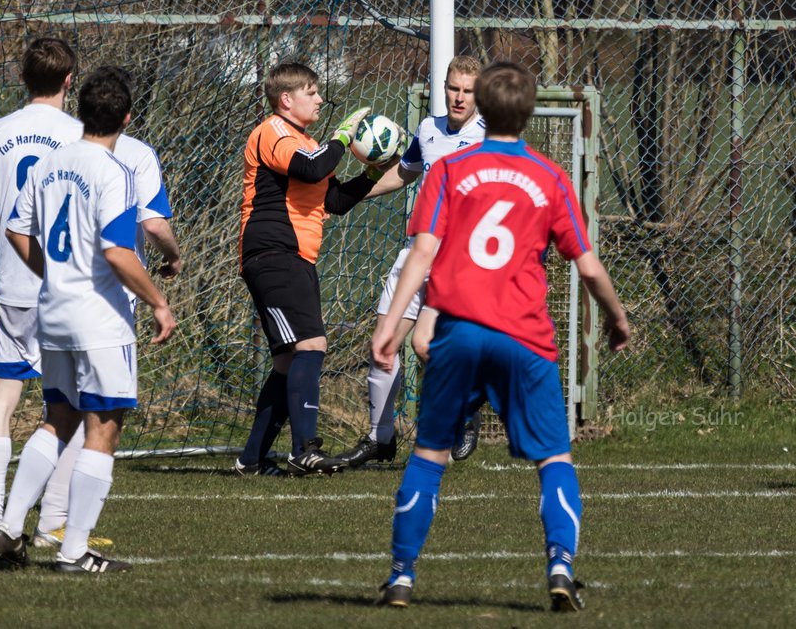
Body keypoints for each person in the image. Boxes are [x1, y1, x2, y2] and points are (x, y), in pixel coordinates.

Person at [370, 62, 630, 611]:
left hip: (459, 333)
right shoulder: (550, 176)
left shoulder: (451, 168)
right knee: (554, 459)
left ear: (481, 109)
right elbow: (586, 264)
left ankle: (400, 577)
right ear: (531, 110)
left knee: (429, 455)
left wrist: (392, 324)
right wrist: (615, 315)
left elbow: (422, 251)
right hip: (524, 337)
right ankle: (561, 566)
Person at [0, 67, 177, 572]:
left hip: (52, 312)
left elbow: (15, 231)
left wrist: (52, 273)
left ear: (80, 113)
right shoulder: (114, 171)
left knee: (57, 420)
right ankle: (73, 551)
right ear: (127, 118)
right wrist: (159, 302)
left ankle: (8, 527)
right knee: (104, 427)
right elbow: (118, 253)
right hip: (98, 320)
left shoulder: (50, 164)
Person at [0, 38, 97, 551]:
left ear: (22, 78)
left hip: (14, 281)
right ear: (68, 81)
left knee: (1, 398)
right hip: (68, 283)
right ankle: (51, 525)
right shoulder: (84, 134)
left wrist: (0, 234)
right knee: (73, 405)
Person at [234, 62, 392, 476]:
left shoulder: (307, 141)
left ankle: (251, 460)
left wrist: (373, 173)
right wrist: (343, 136)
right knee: (312, 345)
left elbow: (334, 201)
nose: (320, 98)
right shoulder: (274, 131)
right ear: (287, 99)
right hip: (273, 252)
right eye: (312, 91)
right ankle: (304, 448)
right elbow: (312, 168)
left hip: (294, 257)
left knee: (288, 362)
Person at [335, 55, 486, 469]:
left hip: (457, 260)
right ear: (444, 88)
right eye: (453, 88)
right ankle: (379, 439)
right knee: (382, 345)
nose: (459, 97)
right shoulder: (428, 129)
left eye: (468, 91)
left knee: (425, 345)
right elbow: (405, 172)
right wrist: (349, 197)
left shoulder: (490, 139)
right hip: (416, 251)